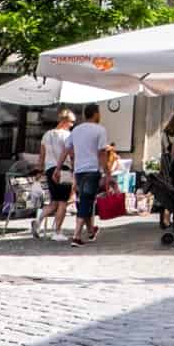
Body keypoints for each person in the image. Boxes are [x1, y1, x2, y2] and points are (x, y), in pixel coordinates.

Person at [59, 103, 109, 246]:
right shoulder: (100, 130)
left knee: (86, 200)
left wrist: (58, 167)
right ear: (95, 114)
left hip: (79, 171)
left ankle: (91, 231)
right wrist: (107, 172)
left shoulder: (76, 130)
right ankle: (76, 236)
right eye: (99, 112)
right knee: (87, 201)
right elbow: (102, 152)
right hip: (92, 170)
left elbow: (66, 148)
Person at [38, 109, 76, 240]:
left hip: (49, 170)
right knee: (63, 202)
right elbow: (71, 154)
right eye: (71, 122)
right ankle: (57, 232)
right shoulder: (67, 135)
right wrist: (74, 168)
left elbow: (42, 155)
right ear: (65, 121)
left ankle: (38, 221)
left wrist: (40, 170)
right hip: (63, 170)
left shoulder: (46, 135)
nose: (72, 125)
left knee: (54, 201)